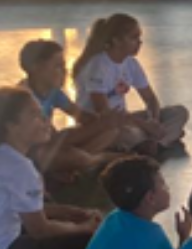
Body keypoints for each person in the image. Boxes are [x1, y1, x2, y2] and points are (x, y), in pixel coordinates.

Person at [0, 86, 101, 249]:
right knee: (93, 240)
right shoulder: (21, 168)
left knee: (55, 215)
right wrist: (83, 227)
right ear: (11, 126)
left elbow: (17, 206)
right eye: (35, 116)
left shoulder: (6, 156)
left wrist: (69, 212)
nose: (45, 120)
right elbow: (40, 230)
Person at [72, 13, 189, 157]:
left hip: (127, 121)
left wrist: (154, 120)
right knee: (126, 134)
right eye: (134, 38)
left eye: (139, 38)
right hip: (101, 125)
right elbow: (104, 113)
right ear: (116, 41)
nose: (139, 42)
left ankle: (154, 143)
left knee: (179, 112)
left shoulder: (131, 63)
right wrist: (146, 126)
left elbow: (150, 99)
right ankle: (160, 140)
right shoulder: (98, 66)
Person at [18, 38, 120, 178]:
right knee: (69, 153)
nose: (64, 72)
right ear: (35, 68)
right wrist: (99, 125)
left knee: (110, 131)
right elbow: (44, 139)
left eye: (64, 66)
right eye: (58, 66)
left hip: (52, 145)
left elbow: (79, 115)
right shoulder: (24, 98)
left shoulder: (53, 92)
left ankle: (73, 166)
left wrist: (100, 120)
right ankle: (102, 158)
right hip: (34, 152)